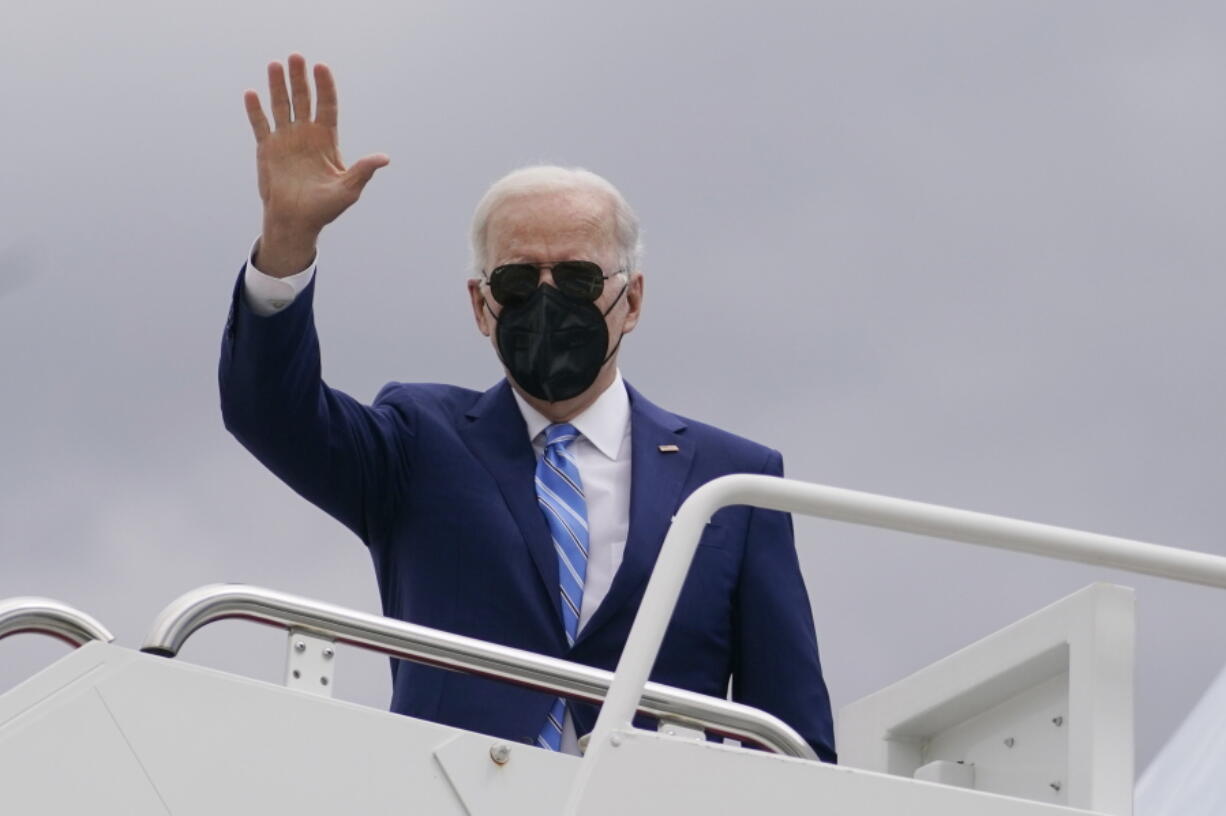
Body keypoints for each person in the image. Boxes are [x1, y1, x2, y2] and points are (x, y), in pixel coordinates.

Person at [220, 53, 835, 762]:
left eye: (576, 277)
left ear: (631, 300)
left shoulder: (734, 484)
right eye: (517, 280)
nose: (547, 299)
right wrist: (289, 242)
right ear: (482, 307)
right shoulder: (418, 442)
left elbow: (794, 741)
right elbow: (268, 412)